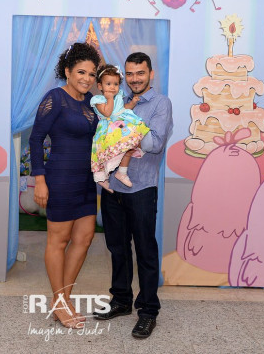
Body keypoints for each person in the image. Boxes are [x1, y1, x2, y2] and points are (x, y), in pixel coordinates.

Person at [93, 52, 173, 339]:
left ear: (151, 73)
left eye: (140, 73)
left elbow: (154, 143)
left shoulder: (160, 103)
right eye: (129, 73)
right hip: (113, 188)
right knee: (117, 248)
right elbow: (105, 133)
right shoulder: (119, 100)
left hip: (141, 188)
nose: (134, 79)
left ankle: (148, 311)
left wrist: (126, 125)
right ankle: (121, 300)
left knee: (145, 251)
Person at [30, 42, 101, 329]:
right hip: (59, 179)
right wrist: (39, 180)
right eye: (81, 72)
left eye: (92, 74)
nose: (87, 78)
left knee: (84, 239)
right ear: (68, 71)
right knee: (58, 241)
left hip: (86, 181)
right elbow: (36, 139)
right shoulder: (55, 98)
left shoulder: (91, 102)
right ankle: (59, 302)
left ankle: (63, 298)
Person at [90, 64, 150, 191]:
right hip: (108, 130)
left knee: (128, 147)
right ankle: (102, 178)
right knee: (106, 155)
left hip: (121, 125)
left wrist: (132, 103)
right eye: (108, 84)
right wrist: (110, 99)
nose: (112, 87)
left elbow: (122, 109)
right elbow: (107, 112)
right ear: (100, 86)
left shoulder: (118, 97)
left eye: (116, 84)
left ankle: (122, 172)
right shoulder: (98, 99)